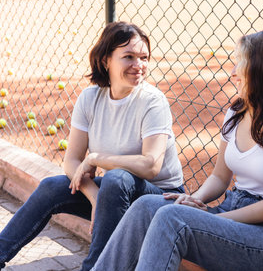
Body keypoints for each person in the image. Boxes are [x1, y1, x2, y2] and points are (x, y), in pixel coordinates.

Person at [92, 28, 263, 271]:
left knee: (172, 219)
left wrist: (210, 220)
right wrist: (193, 200)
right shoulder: (237, 112)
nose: (234, 72)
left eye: (241, 64)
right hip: (232, 210)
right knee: (146, 206)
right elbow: (219, 177)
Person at [0, 21, 184, 270]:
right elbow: (72, 161)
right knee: (51, 186)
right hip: (113, 195)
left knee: (116, 178)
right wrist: (95, 196)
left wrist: (96, 158)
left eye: (143, 57)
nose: (138, 65)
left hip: (162, 197)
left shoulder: (153, 101)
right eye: (128, 56)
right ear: (106, 59)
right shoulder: (91, 98)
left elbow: (151, 165)